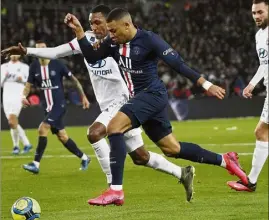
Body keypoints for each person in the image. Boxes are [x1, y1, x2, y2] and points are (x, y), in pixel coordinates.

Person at [1, 4, 197, 198]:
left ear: (110, 22)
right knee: (140, 157)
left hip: (125, 100)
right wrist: (26, 51)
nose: (94, 27)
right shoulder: (86, 41)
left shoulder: (120, 40)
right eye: (90, 24)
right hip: (108, 104)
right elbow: (56, 52)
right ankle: (182, 173)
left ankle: (113, 187)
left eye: (98, 23)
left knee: (94, 133)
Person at [63, 8, 248, 206]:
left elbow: (178, 64)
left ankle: (115, 190)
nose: (111, 35)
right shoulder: (113, 42)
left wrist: (206, 84)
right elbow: (92, 57)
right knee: (172, 148)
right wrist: (80, 33)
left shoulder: (149, 40)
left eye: (114, 31)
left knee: (114, 128)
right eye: (110, 31)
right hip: (140, 98)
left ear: (127, 25)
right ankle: (225, 160)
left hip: (152, 94)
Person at [21, 40, 91, 174]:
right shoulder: (34, 67)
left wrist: (83, 97)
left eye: (44, 48)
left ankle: (35, 164)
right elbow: (28, 85)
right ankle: (84, 158)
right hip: (47, 107)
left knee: (42, 129)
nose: (41, 52)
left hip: (59, 105)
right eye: (38, 49)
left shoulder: (57, 64)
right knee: (62, 136)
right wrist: (23, 97)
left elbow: (74, 80)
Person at [227, 0, 268, 192]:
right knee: (262, 132)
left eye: (260, 12)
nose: (257, 16)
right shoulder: (259, 36)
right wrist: (251, 84)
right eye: (254, 13)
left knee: (261, 132)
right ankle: (250, 181)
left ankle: (250, 181)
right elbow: (264, 64)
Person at [1, 55, 32, 154]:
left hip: (18, 95)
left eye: (16, 53)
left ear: (19, 55)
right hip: (6, 96)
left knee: (12, 120)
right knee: (13, 123)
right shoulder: (3, 67)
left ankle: (26, 143)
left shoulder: (24, 67)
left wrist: (21, 78)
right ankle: (16, 146)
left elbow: (28, 82)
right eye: (12, 53)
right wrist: (5, 76)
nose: (14, 55)